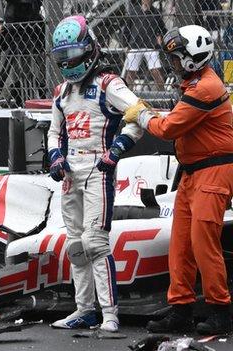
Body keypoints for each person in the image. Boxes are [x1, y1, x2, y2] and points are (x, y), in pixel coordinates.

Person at [124, 25, 233, 335]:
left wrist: (143, 114)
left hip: (214, 170)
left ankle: (221, 311)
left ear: (191, 60)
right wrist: (147, 112)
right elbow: (176, 119)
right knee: (181, 245)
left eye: (175, 58)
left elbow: (169, 128)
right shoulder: (196, 84)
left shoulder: (205, 88)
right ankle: (181, 310)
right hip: (193, 172)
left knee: (202, 243)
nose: (171, 63)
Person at [47, 16, 144, 332]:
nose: (67, 62)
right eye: (61, 57)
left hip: (98, 172)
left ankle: (110, 314)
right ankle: (84, 310)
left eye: (72, 55)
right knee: (75, 244)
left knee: (95, 243)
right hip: (71, 174)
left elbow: (139, 114)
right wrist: (55, 157)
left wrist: (115, 151)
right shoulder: (62, 91)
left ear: (88, 50)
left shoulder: (108, 83)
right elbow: (53, 132)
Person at [0, 0, 45, 107]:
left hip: (34, 39)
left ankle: (41, 96)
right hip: (10, 38)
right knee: (10, 79)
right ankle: (12, 100)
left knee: (39, 76)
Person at [122, 0, 167, 90]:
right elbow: (127, 29)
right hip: (135, 45)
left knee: (155, 71)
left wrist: (160, 39)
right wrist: (126, 45)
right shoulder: (134, 11)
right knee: (131, 73)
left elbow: (163, 29)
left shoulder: (156, 12)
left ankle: (163, 94)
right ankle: (127, 94)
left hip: (151, 46)